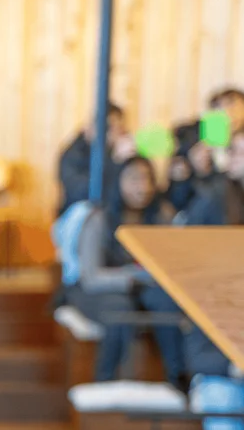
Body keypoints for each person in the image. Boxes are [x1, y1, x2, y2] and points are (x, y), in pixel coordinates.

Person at [61, 156, 185, 387]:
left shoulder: (162, 215)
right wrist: (131, 276)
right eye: (134, 179)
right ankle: (106, 382)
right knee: (120, 310)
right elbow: (91, 277)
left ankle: (177, 380)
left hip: (146, 285)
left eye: (148, 179)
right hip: (99, 290)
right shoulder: (99, 218)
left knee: (167, 304)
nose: (142, 187)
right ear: (118, 181)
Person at [56, 104, 132, 214]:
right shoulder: (73, 154)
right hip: (78, 219)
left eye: (119, 129)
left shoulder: (117, 151)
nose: (115, 134)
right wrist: (115, 161)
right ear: (91, 126)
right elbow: (82, 193)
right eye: (109, 128)